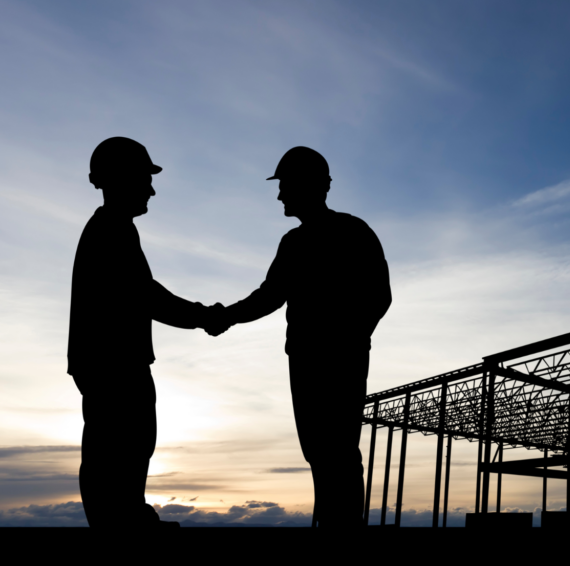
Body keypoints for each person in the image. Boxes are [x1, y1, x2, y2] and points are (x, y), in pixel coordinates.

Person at [207, 146, 391, 529]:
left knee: (337, 448)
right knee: (319, 449)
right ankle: (331, 523)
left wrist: (349, 338)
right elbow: (269, 296)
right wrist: (227, 315)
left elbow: (379, 295)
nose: (279, 195)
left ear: (311, 186)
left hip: (337, 358)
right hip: (307, 359)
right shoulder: (294, 242)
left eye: (285, 185)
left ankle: (343, 527)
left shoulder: (353, 231)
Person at [68, 137, 221, 528]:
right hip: (115, 364)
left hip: (110, 363)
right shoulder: (111, 232)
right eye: (144, 177)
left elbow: (144, 295)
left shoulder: (113, 229)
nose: (151, 188)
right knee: (121, 446)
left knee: (125, 447)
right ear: (119, 178)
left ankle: (127, 517)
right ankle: (121, 524)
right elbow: (147, 297)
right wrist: (203, 316)